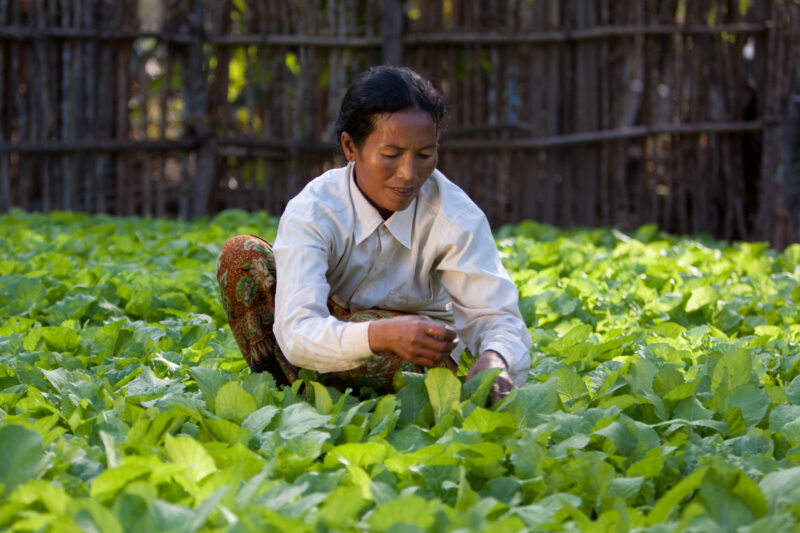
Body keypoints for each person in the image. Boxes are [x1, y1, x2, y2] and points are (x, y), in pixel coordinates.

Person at [217, 66, 531, 403]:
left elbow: (498, 316)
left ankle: (335, 395)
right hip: (324, 343)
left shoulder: (455, 215)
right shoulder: (315, 209)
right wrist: (378, 334)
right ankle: (292, 394)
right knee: (241, 256)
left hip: (418, 357)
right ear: (351, 148)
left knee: (392, 334)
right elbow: (296, 332)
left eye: (425, 155)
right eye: (391, 155)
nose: (409, 174)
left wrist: (495, 360)